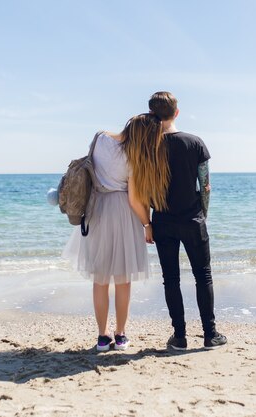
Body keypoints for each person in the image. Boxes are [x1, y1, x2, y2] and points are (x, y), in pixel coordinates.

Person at [63, 113, 169, 352]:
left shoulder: (100, 138)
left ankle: (102, 337)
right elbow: (134, 199)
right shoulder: (135, 157)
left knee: (99, 280)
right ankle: (120, 336)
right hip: (122, 214)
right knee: (123, 280)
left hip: (96, 210)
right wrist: (147, 224)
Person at [148, 91, 227, 350]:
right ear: (176, 112)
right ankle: (209, 334)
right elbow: (205, 186)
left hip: (161, 219)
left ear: (152, 114)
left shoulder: (147, 147)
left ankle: (179, 337)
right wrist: (202, 214)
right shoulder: (195, 143)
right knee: (203, 275)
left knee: (170, 279)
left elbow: (143, 186)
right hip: (192, 218)